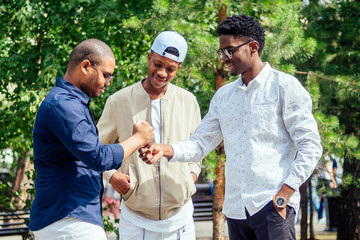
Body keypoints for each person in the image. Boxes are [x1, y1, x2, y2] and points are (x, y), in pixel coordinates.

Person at [140, 15, 323, 240]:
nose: (224, 59)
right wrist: (164, 150)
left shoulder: (284, 87)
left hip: (272, 206)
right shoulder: (224, 96)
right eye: (221, 52)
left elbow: (311, 146)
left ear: (253, 47)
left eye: (229, 51)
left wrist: (285, 193)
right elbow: (199, 144)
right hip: (236, 211)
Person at [29, 39, 154, 240]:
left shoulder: (70, 103)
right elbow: (97, 157)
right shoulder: (64, 105)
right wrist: (139, 138)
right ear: (86, 66)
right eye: (106, 75)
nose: (108, 83)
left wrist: (111, 176)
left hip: (69, 218)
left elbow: (85, 157)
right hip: (67, 219)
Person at [97, 31, 201, 240]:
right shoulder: (119, 101)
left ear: (178, 68)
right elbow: (96, 149)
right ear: (149, 57)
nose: (162, 72)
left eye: (170, 69)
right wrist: (112, 176)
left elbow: (197, 148)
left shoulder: (188, 101)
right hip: (136, 219)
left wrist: (189, 178)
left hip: (180, 218)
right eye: (157, 64)